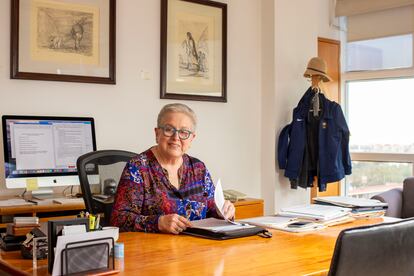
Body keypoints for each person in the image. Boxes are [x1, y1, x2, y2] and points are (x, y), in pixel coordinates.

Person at [111, 103, 235, 234]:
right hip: (154, 250)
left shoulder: (199, 168)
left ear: (192, 138)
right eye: (169, 129)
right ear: (157, 133)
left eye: (184, 132)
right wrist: (158, 223)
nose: (176, 138)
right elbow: (118, 220)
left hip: (196, 248)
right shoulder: (138, 168)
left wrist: (223, 213)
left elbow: (211, 211)